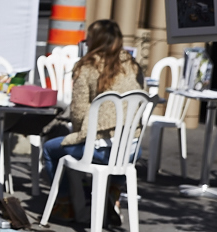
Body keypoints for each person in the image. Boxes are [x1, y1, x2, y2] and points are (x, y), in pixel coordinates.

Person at [42, 19, 143, 205]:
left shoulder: (87, 68)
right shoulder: (133, 66)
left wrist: (81, 132)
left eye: (88, 38)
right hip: (132, 149)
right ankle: (113, 191)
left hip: (100, 149)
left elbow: (79, 113)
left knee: (49, 148)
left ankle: (64, 203)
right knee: (117, 150)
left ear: (94, 41)